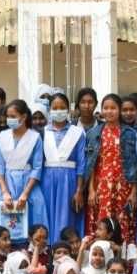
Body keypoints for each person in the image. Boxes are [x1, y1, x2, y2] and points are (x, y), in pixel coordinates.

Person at [0, 100, 48, 247]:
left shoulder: (34, 137)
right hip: (7, 184)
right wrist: (5, 191)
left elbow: (37, 167)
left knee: (33, 218)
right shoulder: (2, 136)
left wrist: (25, 193)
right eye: (8, 116)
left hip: (28, 184)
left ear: (24, 117)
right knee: (3, 216)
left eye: (13, 116)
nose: (10, 120)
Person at [82, 93, 137, 245]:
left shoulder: (130, 134)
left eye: (113, 108)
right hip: (101, 186)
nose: (109, 111)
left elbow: (135, 163)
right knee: (102, 223)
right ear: (101, 110)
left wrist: (134, 192)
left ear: (119, 110)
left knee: (123, 220)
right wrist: (92, 190)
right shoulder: (94, 133)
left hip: (124, 185)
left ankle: (123, 260)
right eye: (105, 108)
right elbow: (91, 164)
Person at [41, 93, 87, 245]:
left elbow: (81, 163)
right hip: (47, 179)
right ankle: (48, 250)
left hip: (69, 180)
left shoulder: (77, 132)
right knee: (47, 214)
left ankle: (64, 248)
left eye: (62, 107)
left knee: (66, 215)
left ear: (68, 109)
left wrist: (79, 190)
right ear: (49, 110)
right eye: (55, 108)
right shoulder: (43, 132)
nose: (58, 110)